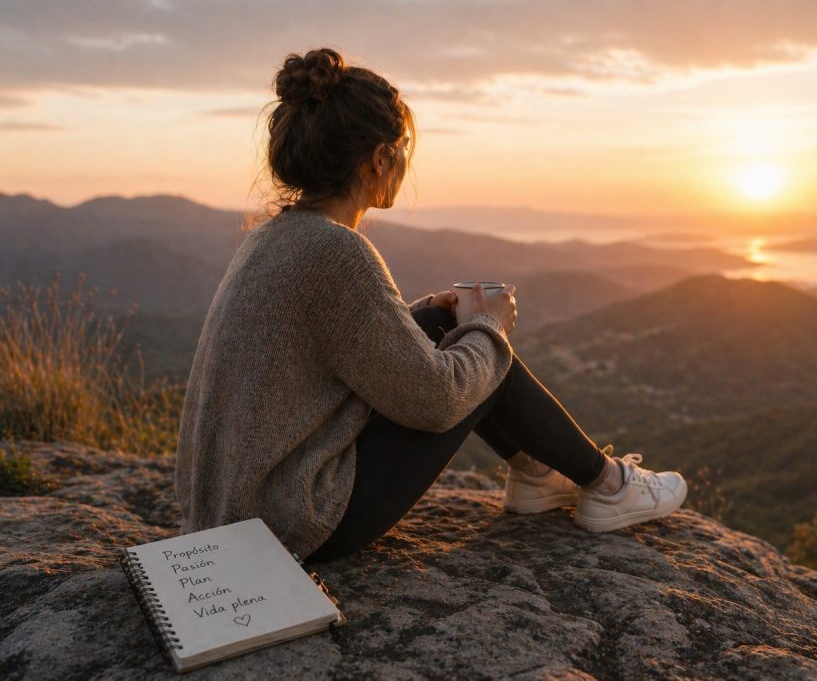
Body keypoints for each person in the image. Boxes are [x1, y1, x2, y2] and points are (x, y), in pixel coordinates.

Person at [174, 48, 687, 563]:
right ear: (379, 158)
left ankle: (537, 475)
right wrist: (488, 328)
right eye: (401, 150)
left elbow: (341, 338)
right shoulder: (338, 250)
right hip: (291, 520)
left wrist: (433, 315)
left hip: (233, 508)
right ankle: (609, 485)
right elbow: (436, 401)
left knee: (446, 324)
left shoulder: (271, 236)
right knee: (483, 358)